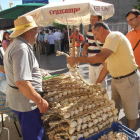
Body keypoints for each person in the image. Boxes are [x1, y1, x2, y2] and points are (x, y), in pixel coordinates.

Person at [67, 22, 139, 130]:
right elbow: (107, 66)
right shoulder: (108, 43)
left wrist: (77, 59)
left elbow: (99, 58)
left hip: (128, 79)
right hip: (116, 80)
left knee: (130, 113)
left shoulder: (113, 36)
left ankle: (131, 133)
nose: (96, 39)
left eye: (95, 35)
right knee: (114, 108)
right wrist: (96, 83)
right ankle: (117, 132)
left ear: (101, 30)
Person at [4, 15, 49, 140]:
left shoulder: (17, 45)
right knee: (34, 136)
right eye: (36, 31)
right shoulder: (21, 48)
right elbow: (22, 82)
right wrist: (40, 101)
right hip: (26, 103)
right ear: (29, 32)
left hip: (22, 99)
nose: (37, 34)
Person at [81, 15, 106, 88]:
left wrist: (104, 61)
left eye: (93, 20)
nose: (91, 22)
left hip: (101, 64)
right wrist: (85, 50)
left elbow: (107, 48)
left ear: (100, 20)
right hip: (91, 64)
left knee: (101, 87)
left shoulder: (104, 32)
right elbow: (86, 44)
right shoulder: (89, 31)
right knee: (92, 85)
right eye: (90, 20)